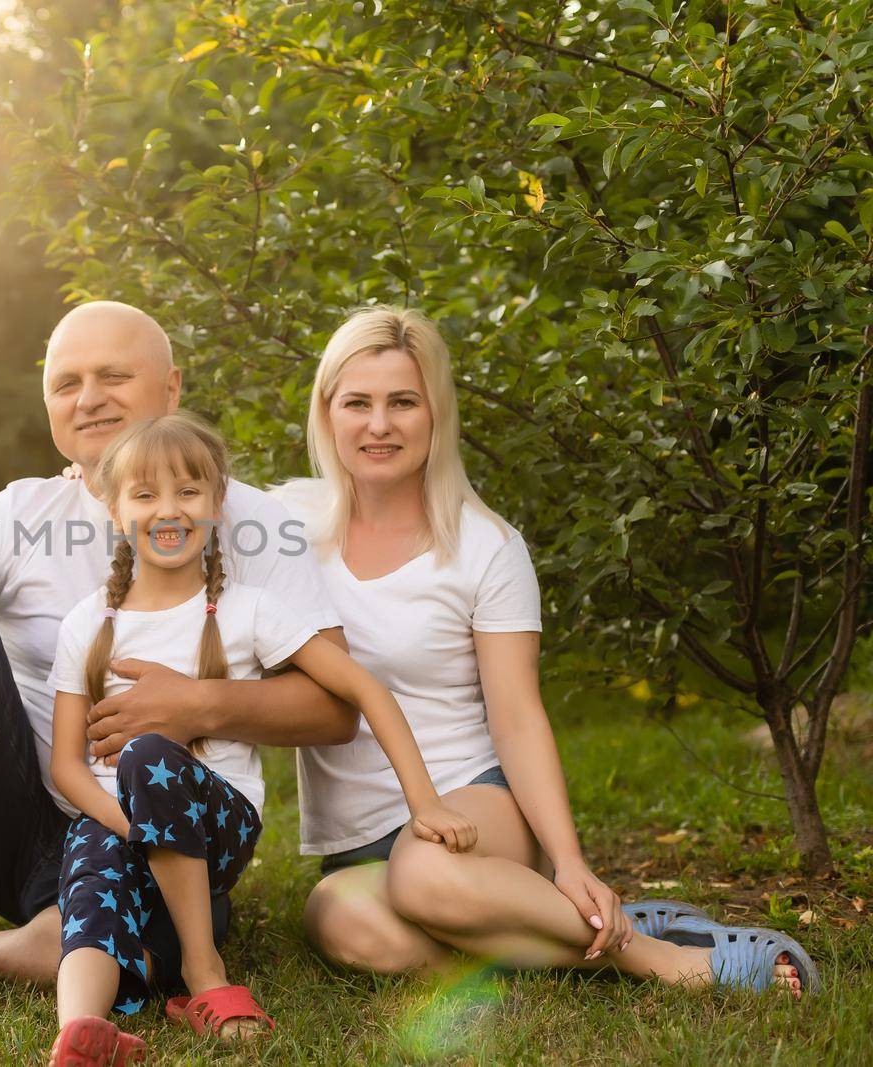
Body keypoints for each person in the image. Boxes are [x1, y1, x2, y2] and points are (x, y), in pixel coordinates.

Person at [0, 301, 356, 1003]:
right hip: (18, 820)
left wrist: (199, 701)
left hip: (157, 831)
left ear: (171, 389)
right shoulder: (18, 513)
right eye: (66, 382)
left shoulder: (256, 522)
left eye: (114, 375)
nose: (88, 398)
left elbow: (335, 709)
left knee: (139, 955)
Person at [284, 305, 817, 996]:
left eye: (403, 402)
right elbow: (160, 499)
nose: (379, 424)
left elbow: (517, 717)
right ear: (327, 411)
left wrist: (568, 857)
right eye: (358, 402)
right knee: (339, 921)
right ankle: (581, 932)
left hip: (475, 803)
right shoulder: (284, 526)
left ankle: (659, 959)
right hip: (357, 836)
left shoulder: (486, 547)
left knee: (423, 874)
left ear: (437, 413)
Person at [47, 413, 474, 1065]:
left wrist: (427, 803)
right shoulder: (86, 624)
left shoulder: (250, 610)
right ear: (112, 509)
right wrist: (129, 831)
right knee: (91, 876)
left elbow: (365, 691)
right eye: (145, 494)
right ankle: (83, 1030)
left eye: (188, 492)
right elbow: (68, 768)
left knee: (146, 752)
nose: (169, 509)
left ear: (217, 503)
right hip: (121, 823)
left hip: (215, 828)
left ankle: (205, 973)